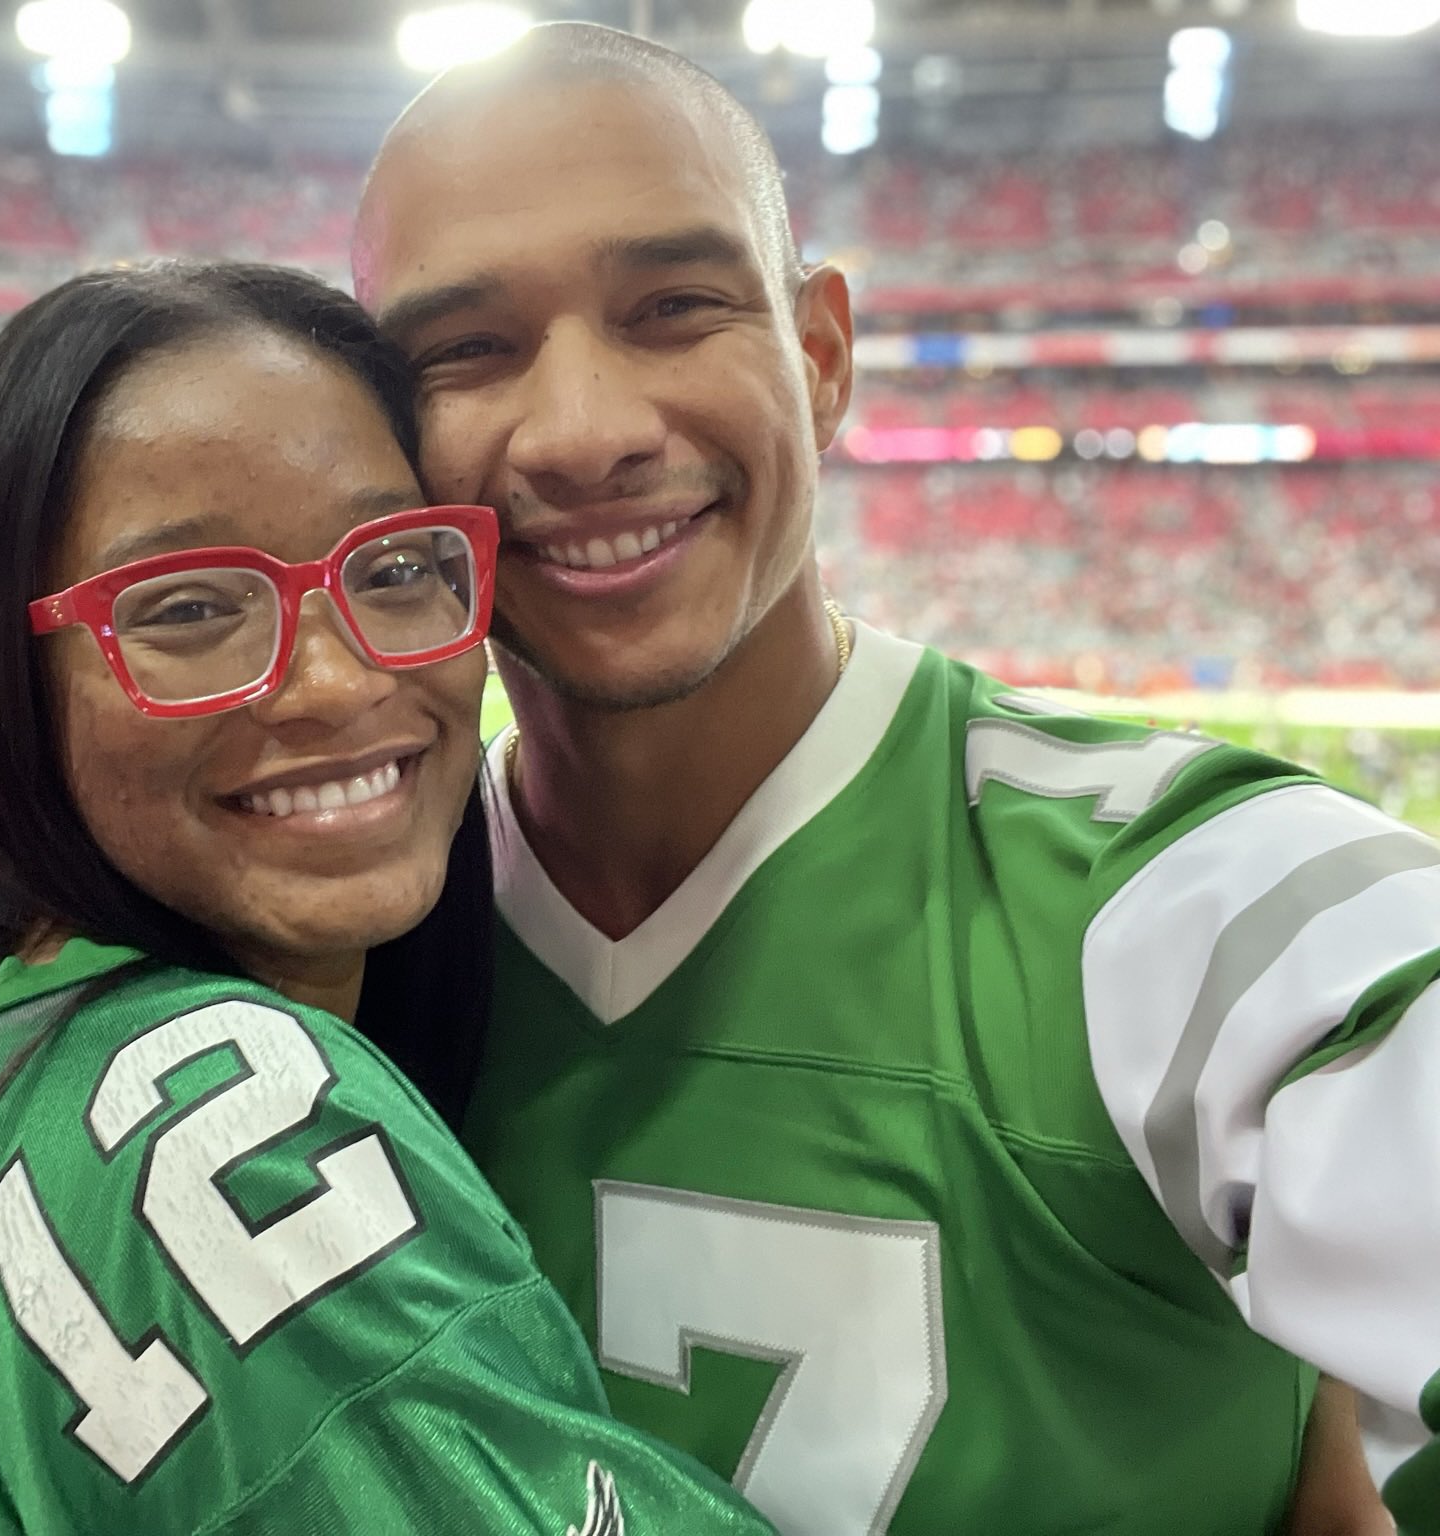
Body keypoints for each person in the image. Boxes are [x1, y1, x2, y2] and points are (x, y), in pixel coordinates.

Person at [352, 22, 1439, 1536]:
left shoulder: (1186, 911)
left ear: (820, 356)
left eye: (673, 306)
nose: (587, 433)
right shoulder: (331, 953)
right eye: (465, 348)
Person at [0, 261, 781, 1534]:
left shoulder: (10, 1047)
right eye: (184, 607)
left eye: (392, 570)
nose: (332, 684)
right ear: (0, 674)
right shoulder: (233, 1122)